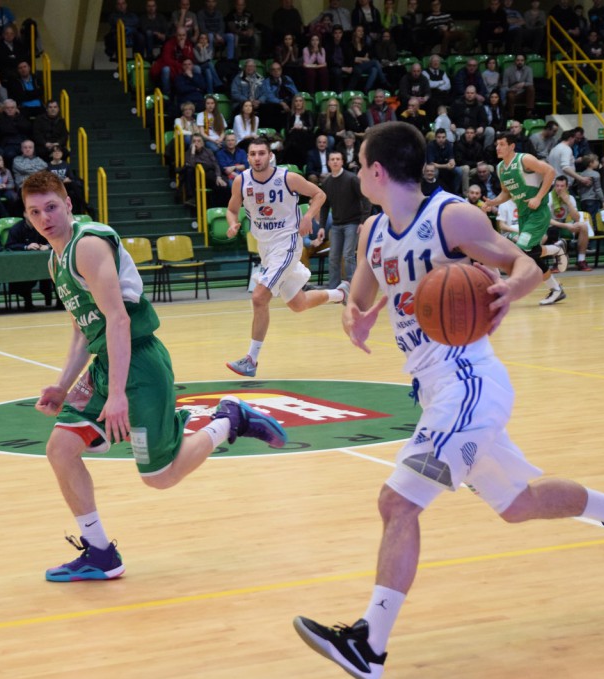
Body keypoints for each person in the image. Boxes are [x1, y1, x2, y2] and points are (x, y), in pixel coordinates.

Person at [292, 121, 604, 679]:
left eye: (360, 164)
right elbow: (361, 296)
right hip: (434, 387)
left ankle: (371, 644)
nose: (358, 173)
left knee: (397, 503)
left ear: (378, 171)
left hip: (468, 379)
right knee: (517, 505)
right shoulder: (372, 233)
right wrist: (352, 316)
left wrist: (513, 288)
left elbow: (525, 263)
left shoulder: (451, 216)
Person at [21, 169, 287, 581]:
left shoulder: (87, 246)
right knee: (60, 449)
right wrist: (63, 384)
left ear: (69, 204)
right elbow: (81, 327)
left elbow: (119, 320)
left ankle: (228, 420)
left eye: (51, 207)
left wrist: (118, 395)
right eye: (35, 211)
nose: (45, 217)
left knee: (160, 477)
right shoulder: (55, 256)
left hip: (139, 364)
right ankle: (100, 552)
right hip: (107, 361)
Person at [224, 136, 347, 378]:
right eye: (253, 154)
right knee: (298, 304)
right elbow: (231, 209)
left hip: (288, 242)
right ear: (247, 158)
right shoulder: (241, 181)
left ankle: (251, 359)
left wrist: (308, 216)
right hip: (267, 248)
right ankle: (341, 293)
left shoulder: (287, 178)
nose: (257, 158)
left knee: (259, 297)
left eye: (262, 153)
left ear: (270, 155)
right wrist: (232, 223)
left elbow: (319, 195)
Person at [482, 132, 569, 306]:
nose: (497, 147)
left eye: (502, 144)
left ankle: (555, 250)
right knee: (531, 256)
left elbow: (550, 171)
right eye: (497, 144)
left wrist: (538, 197)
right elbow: (506, 193)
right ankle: (556, 288)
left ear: (512, 146)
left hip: (538, 213)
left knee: (521, 251)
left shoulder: (524, 160)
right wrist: (494, 201)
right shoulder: (500, 168)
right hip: (523, 215)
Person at [318, 149, 368, 288]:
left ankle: (354, 287)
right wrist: (322, 226)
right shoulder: (327, 183)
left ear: (342, 162)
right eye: (332, 159)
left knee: (348, 255)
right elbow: (324, 206)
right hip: (336, 225)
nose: (335, 161)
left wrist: (363, 221)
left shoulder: (351, 178)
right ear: (328, 162)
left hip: (352, 223)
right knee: (333, 257)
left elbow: (365, 199)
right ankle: (333, 289)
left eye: (337, 159)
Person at [4, 214, 53, 310]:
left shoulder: (42, 226)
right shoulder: (16, 228)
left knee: (53, 270)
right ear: (24, 214)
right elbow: (9, 245)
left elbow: (52, 239)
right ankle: (28, 303)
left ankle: (58, 302)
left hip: (42, 263)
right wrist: (26, 247)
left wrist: (47, 246)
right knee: (25, 274)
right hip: (22, 264)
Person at [546, 175, 593, 273]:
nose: (559, 188)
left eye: (562, 186)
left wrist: (568, 202)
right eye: (557, 186)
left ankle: (581, 260)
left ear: (567, 187)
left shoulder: (570, 198)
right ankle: (557, 262)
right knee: (553, 230)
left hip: (565, 224)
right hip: (549, 226)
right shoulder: (548, 197)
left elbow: (576, 218)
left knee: (583, 226)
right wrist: (566, 225)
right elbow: (547, 220)